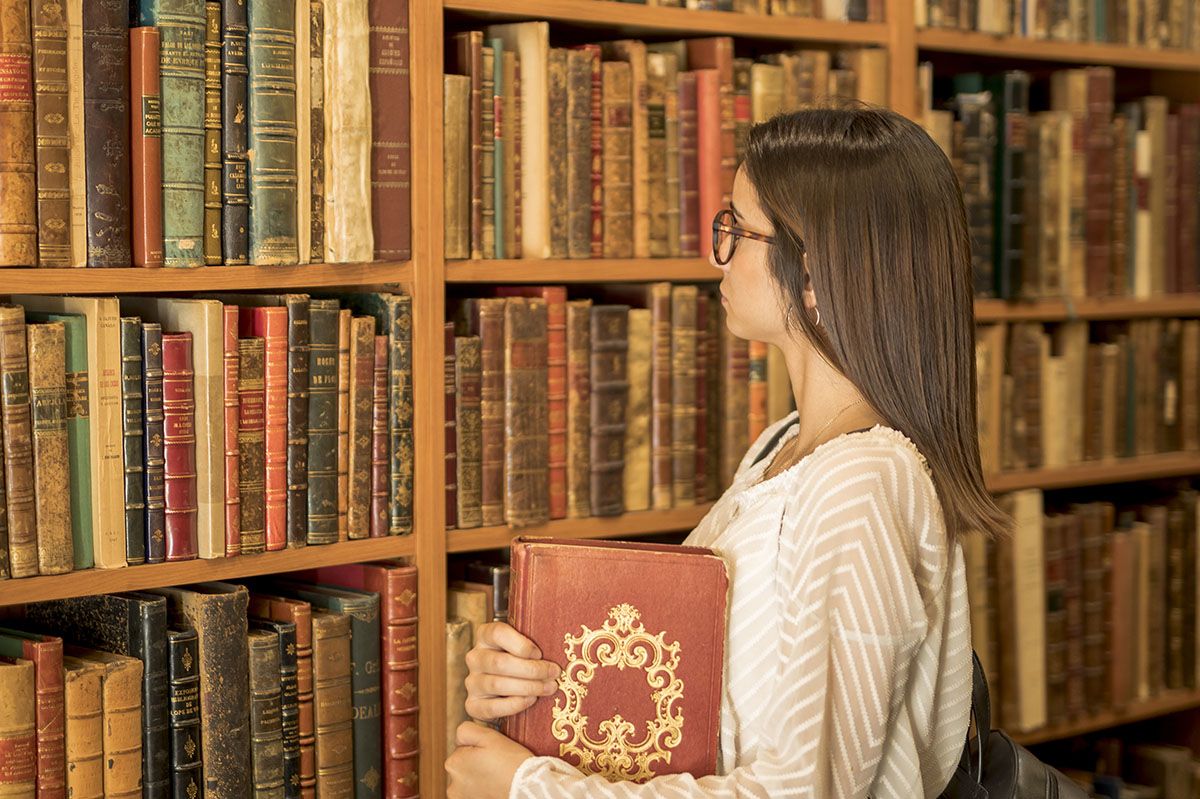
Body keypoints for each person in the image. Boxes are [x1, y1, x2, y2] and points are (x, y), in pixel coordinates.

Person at [445, 104, 1010, 799]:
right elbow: (684, 701)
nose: (717, 251)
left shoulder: (859, 486)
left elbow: (806, 791)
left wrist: (532, 786)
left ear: (813, 274)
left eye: (736, 230)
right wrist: (531, 685)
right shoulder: (781, 449)